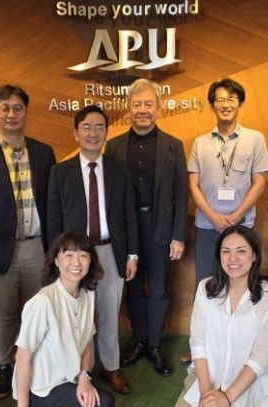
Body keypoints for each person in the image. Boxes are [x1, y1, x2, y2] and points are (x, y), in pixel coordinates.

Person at [0, 84, 56, 398]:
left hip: (39, 247)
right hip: (0, 251)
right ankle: (5, 365)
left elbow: (53, 202)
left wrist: (56, 250)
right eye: (4, 108)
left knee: (38, 310)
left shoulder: (43, 152)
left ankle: (35, 364)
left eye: (18, 108)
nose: (11, 114)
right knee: (3, 314)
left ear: (25, 113)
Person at [47, 105, 139, 394]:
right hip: (74, 255)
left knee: (109, 314)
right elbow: (53, 219)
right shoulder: (59, 172)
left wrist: (132, 255)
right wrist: (57, 258)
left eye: (99, 127)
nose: (93, 133)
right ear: (76, 133)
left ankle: (111, 366)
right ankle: (81, 369)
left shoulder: (118, 170)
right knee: (77, 315)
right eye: (86, 127)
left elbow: (129, 214)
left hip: (111, 251)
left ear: (106, 133)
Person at [168, 226, 268, 407]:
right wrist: (206, 393)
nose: (233, 258)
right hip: (209, 375)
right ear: (219, 255)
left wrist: (226, 398)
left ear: (254, 255)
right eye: (226, 251)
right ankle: (209, 399)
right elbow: (198, 342)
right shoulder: (205, 288)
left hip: (246, 381)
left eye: (241, 251)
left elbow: (262, 359)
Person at [183, 78, 268, 363]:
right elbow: (193, 185)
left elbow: (259, 183)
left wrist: (235, 216)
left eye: (231, 98)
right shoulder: (200, 143)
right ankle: (199, 346)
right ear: (212, 105)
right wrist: (213, 216)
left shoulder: (255, 139)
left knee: (242, 283)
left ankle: (239, 346)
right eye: (220, 99)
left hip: (242, 226)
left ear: (239, 103)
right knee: (205, 284)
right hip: (207, 226)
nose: (225, 104)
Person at [107, 78, 188, 376]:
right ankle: (139, 340)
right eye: (137, 104)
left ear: (158, 108)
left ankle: (154, 344)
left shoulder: (173, 146)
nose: (142, 110)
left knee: (158, 289)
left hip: (161, 228)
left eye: (148, 104)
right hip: (127, 229)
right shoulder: (114, 146)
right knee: (132, 288)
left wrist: (178, 235)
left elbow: (181, 193)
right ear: (128, 108)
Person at [12, 231, 115, 407]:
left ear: (90, 261)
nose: (76, 262)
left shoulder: (88, 295)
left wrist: (84, 377)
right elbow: (22, 359)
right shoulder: (43, 302)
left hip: (69, 380)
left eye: (83, 255)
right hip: (41, 390)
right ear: (56, 261)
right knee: (104, 404)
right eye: (68, 255)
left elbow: (86, 344)